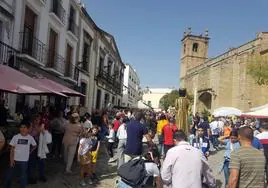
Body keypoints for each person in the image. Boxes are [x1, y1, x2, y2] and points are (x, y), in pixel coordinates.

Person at [4, 120, 37, 188]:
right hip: (15, 160)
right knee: (9, 176)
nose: (23, 129)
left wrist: (30, 151)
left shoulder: (30, 137)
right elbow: (12, 149)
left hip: (24, 161)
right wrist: (11, 160)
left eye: (25, 127)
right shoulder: (16, 137)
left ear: (28, 129)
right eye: (21, 127)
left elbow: (35, 145)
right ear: (19, 128)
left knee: (23, 176)